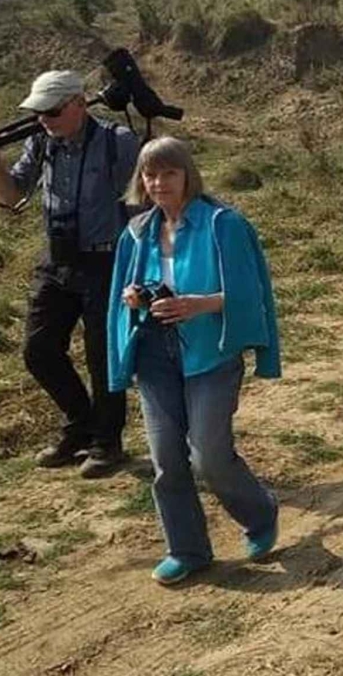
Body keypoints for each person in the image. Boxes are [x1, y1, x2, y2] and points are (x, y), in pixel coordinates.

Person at [106, 137, 282, 586]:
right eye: (150, 175)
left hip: (211, 353)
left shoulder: (224, 225)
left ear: (188, 176)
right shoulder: (138, 232)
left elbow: (249, 295)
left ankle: (259, 514)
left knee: (209, 456)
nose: (159, 183)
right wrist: (135, 297)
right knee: (167, 459)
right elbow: (128, 291)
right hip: (154, 354)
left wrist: (198, 305)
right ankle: (187, 550)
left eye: (169, 173)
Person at [0, 70, 139, 478]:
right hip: (57, 260)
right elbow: (12, 197)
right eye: (38, 111)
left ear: (79, 104)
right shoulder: (41, 142)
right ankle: (79, 424)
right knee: (39, 349)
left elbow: (142, 203)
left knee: (104, 357)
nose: (44, 118)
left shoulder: (117, 144)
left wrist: (145, 264)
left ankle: (107, 441)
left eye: (52, 110)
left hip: (106, 260)